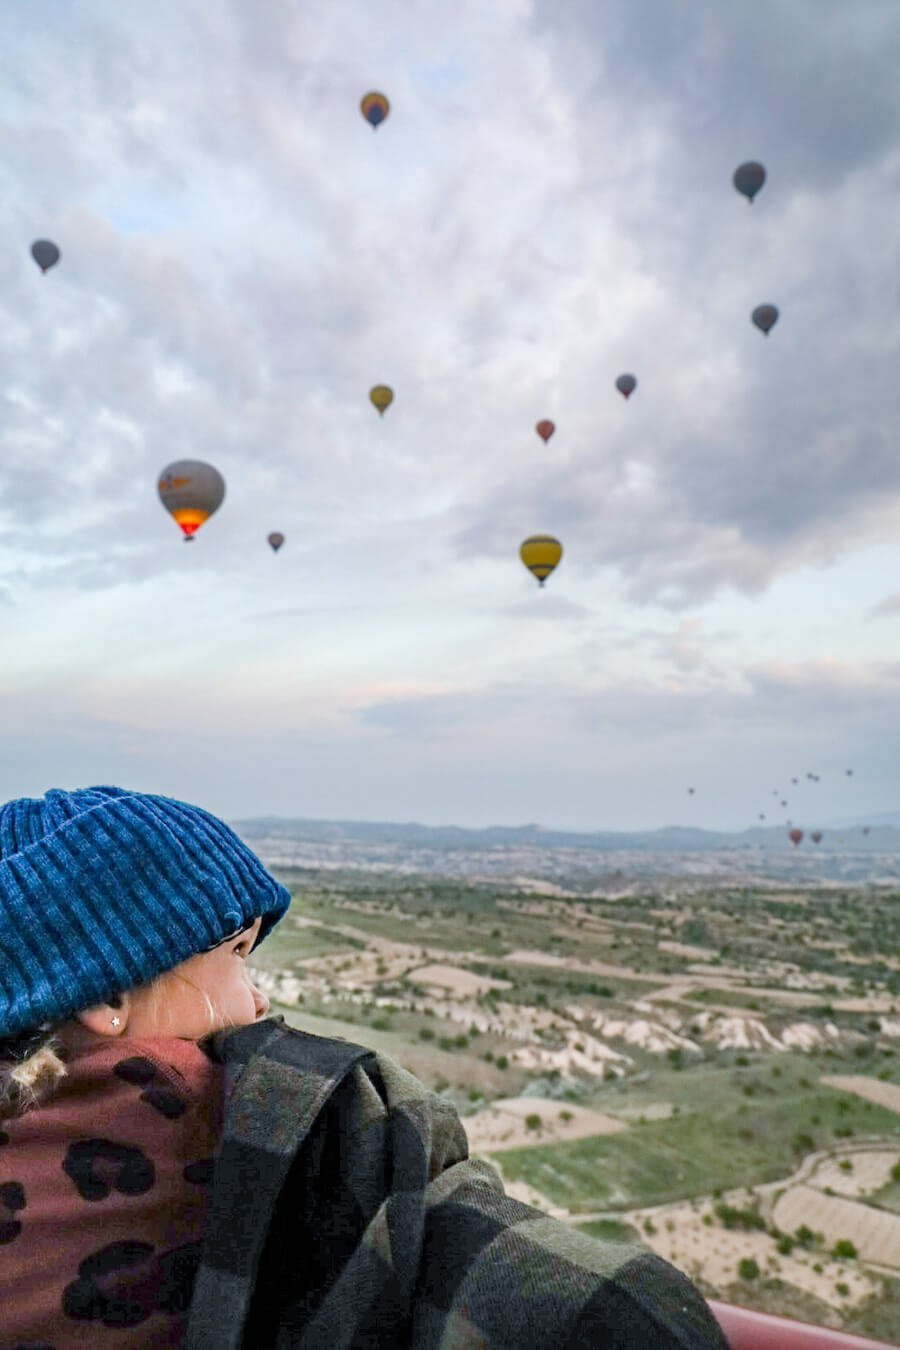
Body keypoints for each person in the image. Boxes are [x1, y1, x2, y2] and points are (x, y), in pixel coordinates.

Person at [0, 787, 729, 1348]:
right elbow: (622, 1314)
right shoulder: (293, 1138)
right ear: (107, 994)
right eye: (235, 954)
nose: (257, 998)